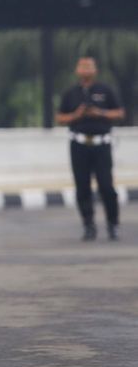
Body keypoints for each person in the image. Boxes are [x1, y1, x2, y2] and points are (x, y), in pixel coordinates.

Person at [56, 57, 125, 241]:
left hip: (101, 144)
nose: (86, 70)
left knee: (106, 185)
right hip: (79, 144)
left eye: (89, 66)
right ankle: (88, 225)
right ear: (77, 70)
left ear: (95, 70)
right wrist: (76, 115)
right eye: (82, 66)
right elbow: (60, 118)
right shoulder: (71, 93)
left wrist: (100, 113)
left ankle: (113, 224)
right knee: (82, 187)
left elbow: (119, 112)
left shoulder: (105, 90)